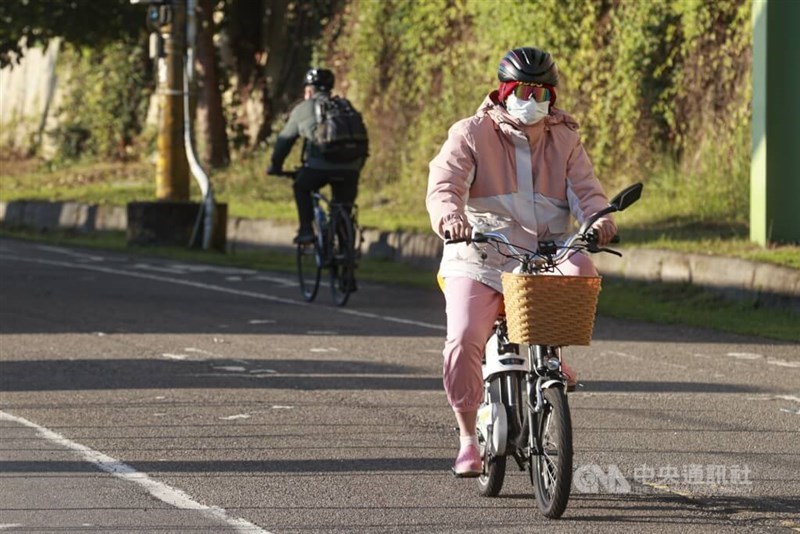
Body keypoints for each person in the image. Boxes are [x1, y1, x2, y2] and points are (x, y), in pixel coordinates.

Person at [426, 46, 617, 477]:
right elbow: (444, 185)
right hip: (479, 255)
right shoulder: (470, 133)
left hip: (542, 257)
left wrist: (599, 220)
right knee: (462, 338)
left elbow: (587, 192)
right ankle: (467, 438)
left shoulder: (565, 138)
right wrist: (450, 217)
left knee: (583, 268)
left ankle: (551, 350)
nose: (532, 100)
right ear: (504, 91)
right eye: (523, 90)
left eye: (542, 92)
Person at [267, 68, 365, 244]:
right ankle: (345, 245)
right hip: (351, 168)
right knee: (343, 205)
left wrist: (275, 165)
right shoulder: (345, 106)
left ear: (309, 90)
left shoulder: (303, 108)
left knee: (301, 187)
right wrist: (357, 166)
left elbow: (284, 141)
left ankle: (306, 229)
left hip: (319, 167)